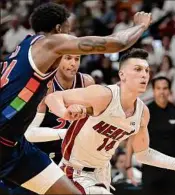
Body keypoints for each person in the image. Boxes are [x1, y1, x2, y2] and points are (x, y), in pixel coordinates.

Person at [0, 2, 152, 194]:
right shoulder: (51, 43)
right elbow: (118, 43)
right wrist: (141, 25)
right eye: (68, 30)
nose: (70, 36)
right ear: (59, 29)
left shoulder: (22, 47)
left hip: (16, 147)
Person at [45, 48, 175, 194]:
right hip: (74, 173)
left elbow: (143, 154)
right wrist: (65, 113)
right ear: (122, 75)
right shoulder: (103, 95)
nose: (144, 75)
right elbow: (53, 98)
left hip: (102, 175)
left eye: (146, 70)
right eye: (138, 69)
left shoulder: (142, 112)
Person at [25, 54, 94, 164]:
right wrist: (67, 133)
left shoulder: (86, 83)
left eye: (77, 59)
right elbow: (28, 135)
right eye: (68, 58)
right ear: (57, 60)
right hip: (42, 149)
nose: (73, 63)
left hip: (72, 151)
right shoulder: (46, 85)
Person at [126, 76, 175, 195]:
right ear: (153, 90)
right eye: (158, 88)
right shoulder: (143, 111)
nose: (162, 92)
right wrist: (128, 166)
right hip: (150, 167)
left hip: (172, 166)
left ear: (170, 91)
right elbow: (132, 138)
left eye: (165, 88)